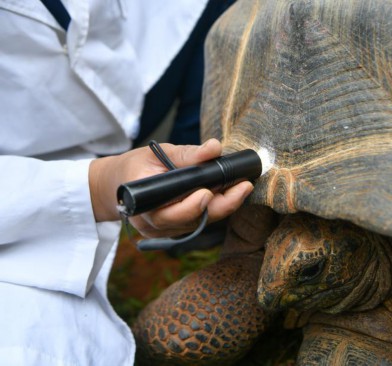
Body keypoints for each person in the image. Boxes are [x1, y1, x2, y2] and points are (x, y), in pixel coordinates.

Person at [0, 0, 247, 364]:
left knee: (200, 154)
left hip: (140, 47)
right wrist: (98, 187)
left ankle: (197, 222)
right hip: (30, 155)